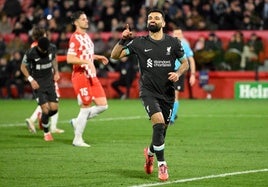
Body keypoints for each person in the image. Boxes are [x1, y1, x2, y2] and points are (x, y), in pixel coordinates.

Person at [110, 9, 189, 181]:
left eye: (156, 18)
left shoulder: (173, 42)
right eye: (150, 18)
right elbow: (114, 56)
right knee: (158, 124)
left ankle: (150, 153)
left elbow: (185, 63)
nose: (152, 20)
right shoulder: (139, 43)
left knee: (161, 132)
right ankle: (162, 165)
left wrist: (178, 73)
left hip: (167, 93)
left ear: (163, 23)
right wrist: (123, 39)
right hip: (148, 92)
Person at [66, 11, 109, 147]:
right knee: (85, 107)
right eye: (83, 19)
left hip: (91, 75)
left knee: (103, 105)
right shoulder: (75, 38)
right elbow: (70, 59)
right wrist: (87, 63)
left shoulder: (87, 36)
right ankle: (77, 139)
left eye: (86, 18)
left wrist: (97, 57)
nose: (86, 21)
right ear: (76, 22)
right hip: (81, 76)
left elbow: (86, 54)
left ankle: (77, 121)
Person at [25, 26, 64, 134]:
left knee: (46, 103)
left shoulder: (35, 45)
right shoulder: (40, 47)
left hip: (43, 77)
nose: (48, 36)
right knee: (53, 101)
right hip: (44, 78)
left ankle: (37, 120)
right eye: (46, 34)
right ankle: (48, 125)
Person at [20, 37, 60, 141]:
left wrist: (56, 71)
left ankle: (42, 118)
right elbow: (23, 67)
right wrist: (31, 80)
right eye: (43, 50)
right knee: (46, 109)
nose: (45, 51)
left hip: (49, 82)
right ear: (38, 47)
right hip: (38, 83)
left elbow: (54, 59)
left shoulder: (51, 48)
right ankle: (47, 133)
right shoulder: (31, 53)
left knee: (54, 109)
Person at [170, 28, 196, 124]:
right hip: (167, 72)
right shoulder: (167, 45)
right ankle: (172, 113)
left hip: (179, 72)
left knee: (175, 94)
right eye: (175, 33)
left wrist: (192, 75)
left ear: (182, 35)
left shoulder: (184, 46)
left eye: (179, 34)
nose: (177, 35)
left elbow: (191, 60)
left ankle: (171, 118)